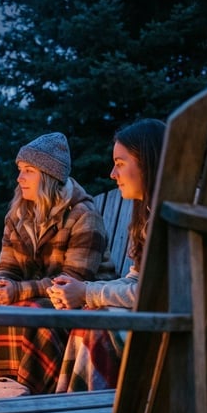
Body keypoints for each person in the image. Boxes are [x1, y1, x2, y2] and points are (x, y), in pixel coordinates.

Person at [0, 132, 116, 393]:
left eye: (28, 170)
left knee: (37, 318)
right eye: (19, 169)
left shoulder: (82, 215)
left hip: (79, 302)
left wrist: (16, 291)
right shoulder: (17, 214)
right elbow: (8, 266)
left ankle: (36, 399)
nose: (20, 178)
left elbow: (72, 279)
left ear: (49, 176)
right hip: (38, 300)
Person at [47, 119, 166, 392]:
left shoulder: (176, 215)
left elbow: (158, 293)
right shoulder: (146, 214)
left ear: (148, 162)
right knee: (91, 318)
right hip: (156, 317)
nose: (113, 173)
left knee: (96, 328)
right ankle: (74, 412)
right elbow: (136, 278)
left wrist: (87, 292)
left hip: (180, 329)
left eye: (120, 163)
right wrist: (86, 291)